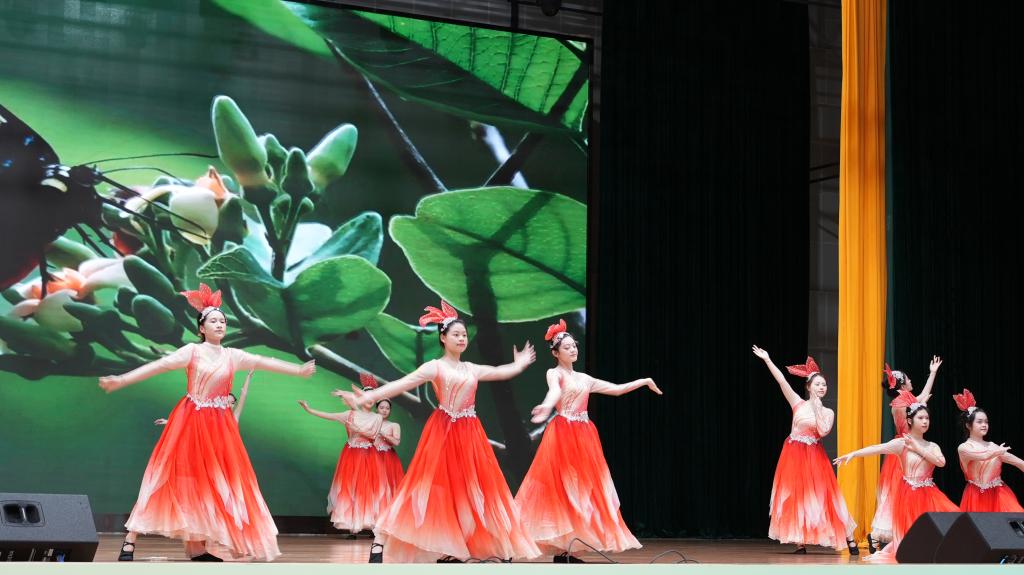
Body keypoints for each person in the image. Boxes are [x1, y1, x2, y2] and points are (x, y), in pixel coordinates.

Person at [100, 283, 315, 561]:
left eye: (222, 321)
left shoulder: (233, 356)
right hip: (191, 421)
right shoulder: (192, 351)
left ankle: (197, 547)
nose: (220, 324)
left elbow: (263, 361)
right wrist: (122, 379)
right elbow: (159, 366)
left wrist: (298, 370)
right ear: (201, 327)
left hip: (219, 426)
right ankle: (130, 539)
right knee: (169, 477)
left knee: (210, 483)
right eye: (213, 321)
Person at [335, 300, 541, 563]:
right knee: (425, 488)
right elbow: (402, 384)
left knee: (473, 489)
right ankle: (381, 542)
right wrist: (369, 396)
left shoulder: (471, 368)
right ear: (443, 337)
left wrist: (520, 364)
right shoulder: (434, 366)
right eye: (456, 334)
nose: (462, 338)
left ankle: (469, 547)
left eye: (464, 334)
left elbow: (501, 372)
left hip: (470, 434)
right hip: (443, 432)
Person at [516, 319, 660, 562]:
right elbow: (554, 391)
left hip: (584, 437)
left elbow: (616, 389)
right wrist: (546, 406)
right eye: (567, 347)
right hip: (563, 434)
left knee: (583, 490)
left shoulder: (585, 378)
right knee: (563, 488)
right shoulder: (555, 373)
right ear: (556, 353)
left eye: (574, 346)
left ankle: (569, 549)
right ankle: (558, 546)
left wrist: (644, 381)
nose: (573, 350)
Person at [752, 346, 857, 554]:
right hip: (793, 456)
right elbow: (782, 381)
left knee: (826, 496)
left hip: (814, 456)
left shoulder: (828, 411)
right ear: (809, 387)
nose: (822, 387)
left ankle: (850, 538)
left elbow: (824, 431)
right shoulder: (797, 403)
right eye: (817, 384)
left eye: (824, 384)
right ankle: (800, 541)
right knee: (796, 496)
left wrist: (817, 408)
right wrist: (767, 359)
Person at [954, 389, 1024, 512]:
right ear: (968, 425)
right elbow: (983, 455)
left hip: (999, 496)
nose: (984, 425)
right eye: (979, 422)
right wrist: (997, 452)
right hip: (975, 496)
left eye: (986, 422)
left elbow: (1018, 462)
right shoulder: (964, 448)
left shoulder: (993, 446)